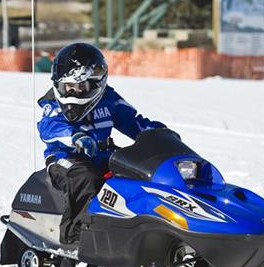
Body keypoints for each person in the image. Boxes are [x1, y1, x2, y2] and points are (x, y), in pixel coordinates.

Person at [38, 42, 172, 249]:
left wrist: (158, 134)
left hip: (102, 155)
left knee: (139, 175)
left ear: (97, 83)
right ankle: (76, 237)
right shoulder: (52, 105)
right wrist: (75, 137)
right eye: (68, 87)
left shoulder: (109, 99)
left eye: (81, 87)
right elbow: (48, 127)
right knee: (86, 177)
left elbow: (132, 120)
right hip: (64, 157)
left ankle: (139, 233)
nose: (74, 92)